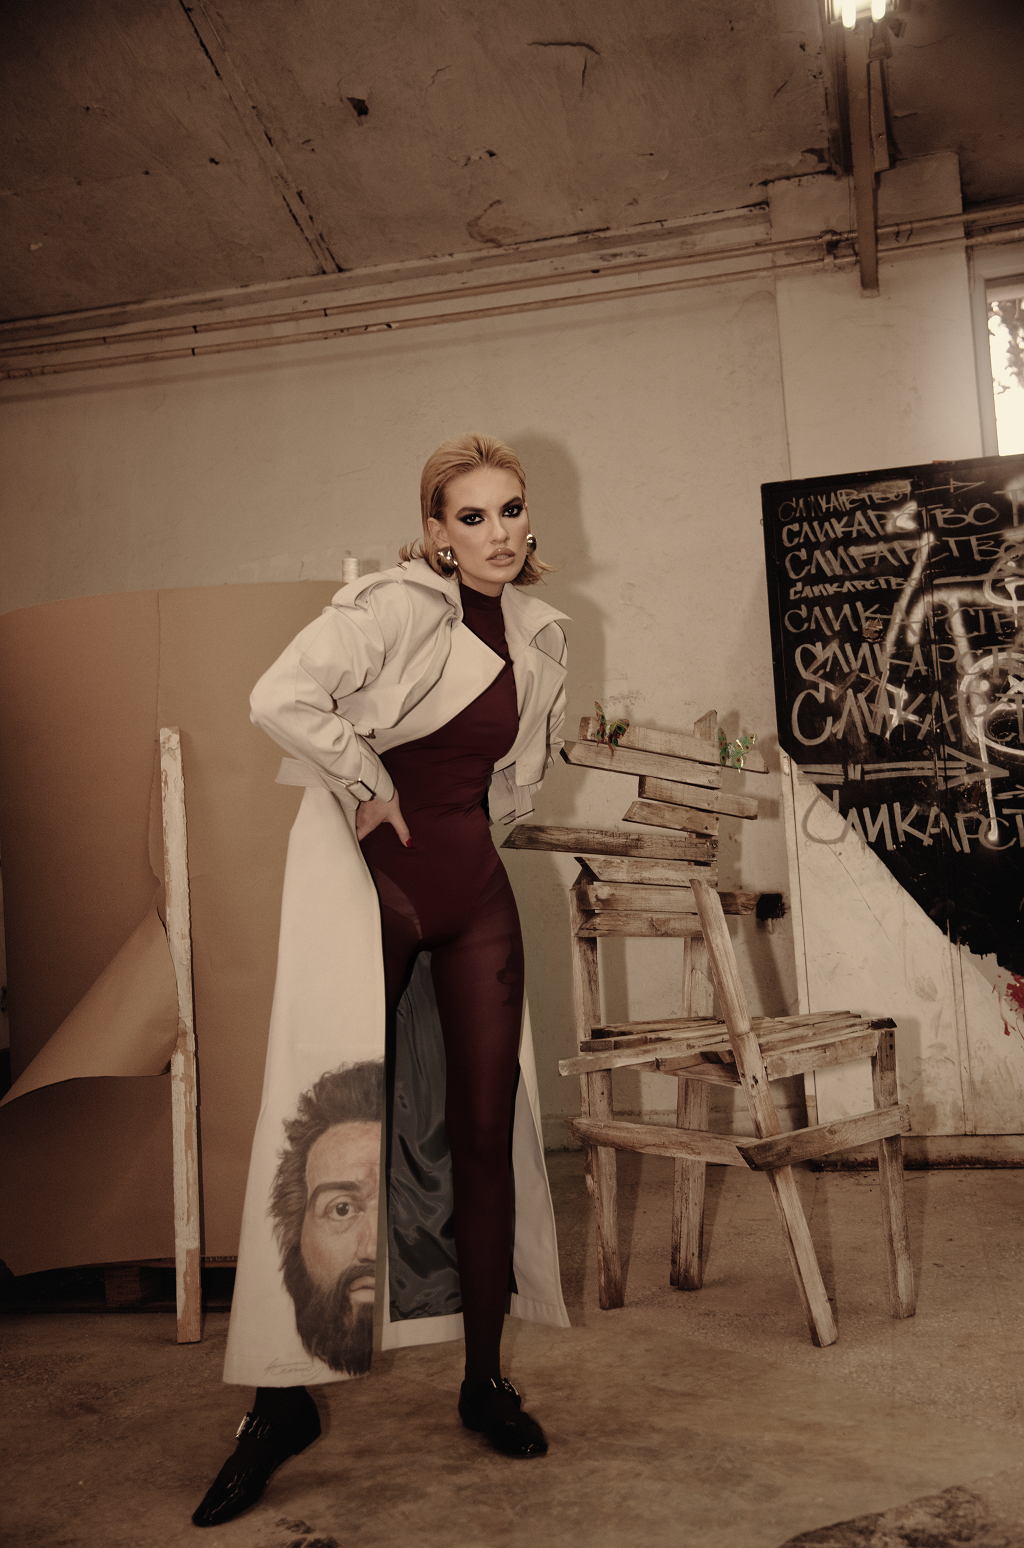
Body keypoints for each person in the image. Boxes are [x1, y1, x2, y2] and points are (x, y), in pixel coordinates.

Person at [193, 433, 570, 1528]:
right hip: (380, 892)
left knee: (485, 1135)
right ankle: (280, 1404)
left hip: (476, 896)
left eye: (511, 510)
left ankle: (484, 1380)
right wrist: (364, 780)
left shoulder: (543, 632)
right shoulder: (397, 606)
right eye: (472, 516)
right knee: (331, 1134)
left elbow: (512, 775)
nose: (497, 533)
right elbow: (279, 696)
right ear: (435, 532)